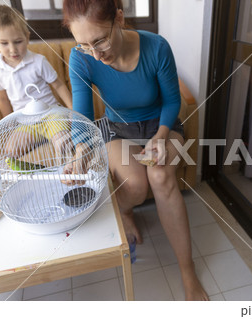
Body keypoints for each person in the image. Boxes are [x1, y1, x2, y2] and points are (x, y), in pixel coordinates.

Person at [62, 0, 208, 301]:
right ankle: (126, 211)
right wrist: (80, 155)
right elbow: (83, 117)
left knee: (161, 177)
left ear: (119, 17)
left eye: (100, 40)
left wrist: (162, 135)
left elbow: (172, 101)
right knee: (136, 184)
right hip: (118, 129)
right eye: (85, 45)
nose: (96, 55)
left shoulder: (156, 47)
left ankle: (187, 269)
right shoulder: (82, 59)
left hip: (163, 125)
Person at [0, 5, 73, 159]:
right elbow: (1, 98)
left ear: (27, 37)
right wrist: (9, 124)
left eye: (18, 41)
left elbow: (58, 85)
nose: (13, 49)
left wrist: (73, 111)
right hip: (24, 123)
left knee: (64, 144)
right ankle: (40, 139)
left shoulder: (38, 61)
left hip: (50, 115)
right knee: (11, 151)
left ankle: (55, 138)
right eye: (4, 43)